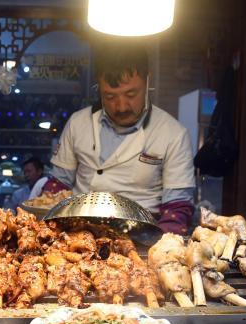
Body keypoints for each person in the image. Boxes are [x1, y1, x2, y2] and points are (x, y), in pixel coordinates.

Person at [48, 41, 195, 234]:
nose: (121, 106)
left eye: (131, 94)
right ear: (99, 88)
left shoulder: (173, 134)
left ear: (147, 81)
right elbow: (57, 189)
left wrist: (159, 249)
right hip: (79, 234)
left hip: (142, 237)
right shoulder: (78, 123)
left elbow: (178, 208)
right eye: (110, 96)